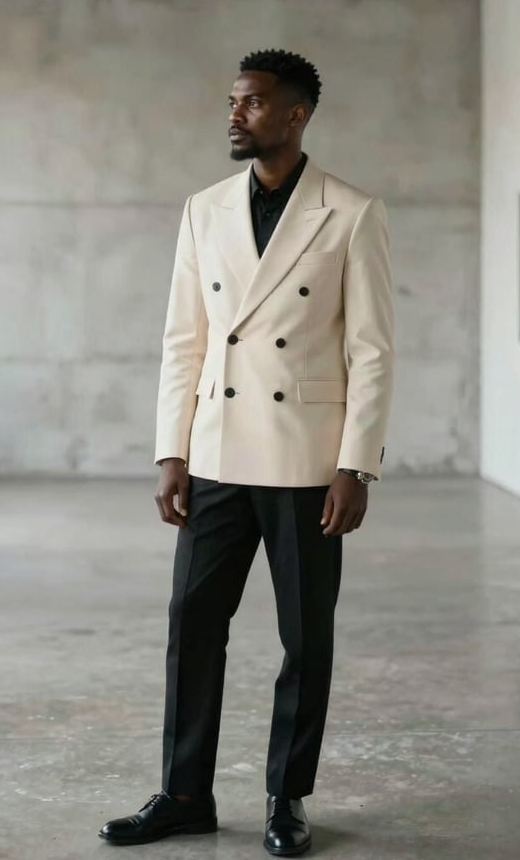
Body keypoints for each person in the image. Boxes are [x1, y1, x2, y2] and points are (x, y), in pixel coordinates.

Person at [98, 49, 395, 857]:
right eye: (233, 100)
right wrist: (171, 450)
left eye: (254, 102)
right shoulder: (203, 209)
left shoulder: (352, 211)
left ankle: (286, 795)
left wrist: (356, 461)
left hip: (305, 463)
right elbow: (183, 340)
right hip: (218, 453)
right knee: (193, 624)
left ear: (295, 115)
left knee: (306, 639)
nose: (236, 114)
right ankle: (185, 791)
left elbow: (370, 351)